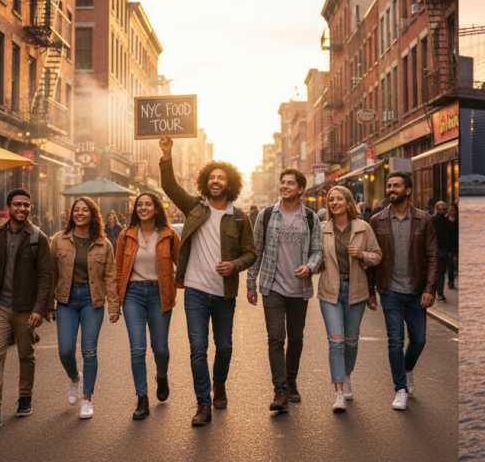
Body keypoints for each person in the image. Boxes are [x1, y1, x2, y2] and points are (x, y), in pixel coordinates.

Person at [159, 135, 256, 426]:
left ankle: (220, 384)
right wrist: (167, 154)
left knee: (224, 347)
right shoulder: (194, 207)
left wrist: (235, 264)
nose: (216, 181)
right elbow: (169, 186)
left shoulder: (239, 218)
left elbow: (251, 253)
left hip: (224, 293)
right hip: (196, 292)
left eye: (221, 178)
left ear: (230, 184)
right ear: (206, 182)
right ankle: (203, 404)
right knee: (197, 348)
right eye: (211, 177)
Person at [246, 168, 322, 412]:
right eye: (282, 182)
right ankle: (280, 390)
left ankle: (291, 381)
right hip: (273, 286)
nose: (285, 186)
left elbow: (318, 250)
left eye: (290, 183)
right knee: (276, 339)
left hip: (299, 288)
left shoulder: (310, 218)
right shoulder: (266, 215)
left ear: (300, 189)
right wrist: (250, 283)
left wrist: (310, 267)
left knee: (296, 338)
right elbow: (255, 251)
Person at [0, 188, 52, 430]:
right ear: (8, 208)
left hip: (25, 308)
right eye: (17, 204)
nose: (22, 208)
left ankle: (25, 397)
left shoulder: (38, 238)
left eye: (26, 205)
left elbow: (45, 277)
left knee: (25, 355)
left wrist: (39, 309)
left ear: (31, 208)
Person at [368, 171, 438, 410]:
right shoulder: (376, 221)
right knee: (395, 342)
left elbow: (432, 257)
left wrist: (430, 288)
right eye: (389, 186)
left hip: (417, 291)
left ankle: (407, 370)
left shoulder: (423, 219)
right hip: (390, 291)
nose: (391, 190)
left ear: (408, 191)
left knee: (419, 340)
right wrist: (370, 291)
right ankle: (400, 389)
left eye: (396, 186)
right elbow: (371, 258)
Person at [48, 197, 118, 420]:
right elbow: (51, 274)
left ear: (92, 214)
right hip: (66, 301)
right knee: (65, 351)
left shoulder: (103, 244)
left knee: (89, 351)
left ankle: (87, 400)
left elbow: (110, 277)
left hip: (92, 300)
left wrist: (113, 306)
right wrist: (47, 304)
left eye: (84, 210)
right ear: (71, 214)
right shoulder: (58, 240)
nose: (79, 213)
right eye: (76, 210)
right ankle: (75, 379)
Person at [115, 192, 181, 420]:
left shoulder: (169, 235)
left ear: (156, 209)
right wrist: (116, 301)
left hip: (159, 294)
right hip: (132, 294)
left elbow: (180, 265)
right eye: (139, 205)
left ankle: (161, 376)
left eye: (148, 204)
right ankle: (142, 398)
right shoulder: (125, 235)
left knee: (160, 348)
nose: (143, 208)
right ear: (136, 209)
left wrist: (178, 288)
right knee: (137, 348)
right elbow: (118, 270)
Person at [317, 186, 382, 412]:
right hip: (329, 291)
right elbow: (314, 255)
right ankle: (338, 393)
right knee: (336, 341)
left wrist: (362, 255)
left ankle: (346, 378)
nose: (334, 202)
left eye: (339, 199)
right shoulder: (322, 228)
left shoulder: (363, 228)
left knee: (351, 342)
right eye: (331, 199)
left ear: (348, 203)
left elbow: (377, 255)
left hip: (355, 290)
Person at [431, 201, 452, 302]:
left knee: (431, 272)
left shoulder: (431, 220)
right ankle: (440, 294)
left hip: (432, 251)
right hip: (443, 251)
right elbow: (450, 239)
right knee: (441, 273)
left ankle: (430, 292)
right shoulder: (448, 222)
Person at [446, 202, 459, 290]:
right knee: (450, 266)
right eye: (450, 210)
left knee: (457, 266)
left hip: (457, 246)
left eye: (453, 210)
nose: (451, 212)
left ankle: (454, 279)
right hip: (449, 247)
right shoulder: (445, 220)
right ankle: (451, 282)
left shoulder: (458, 220)